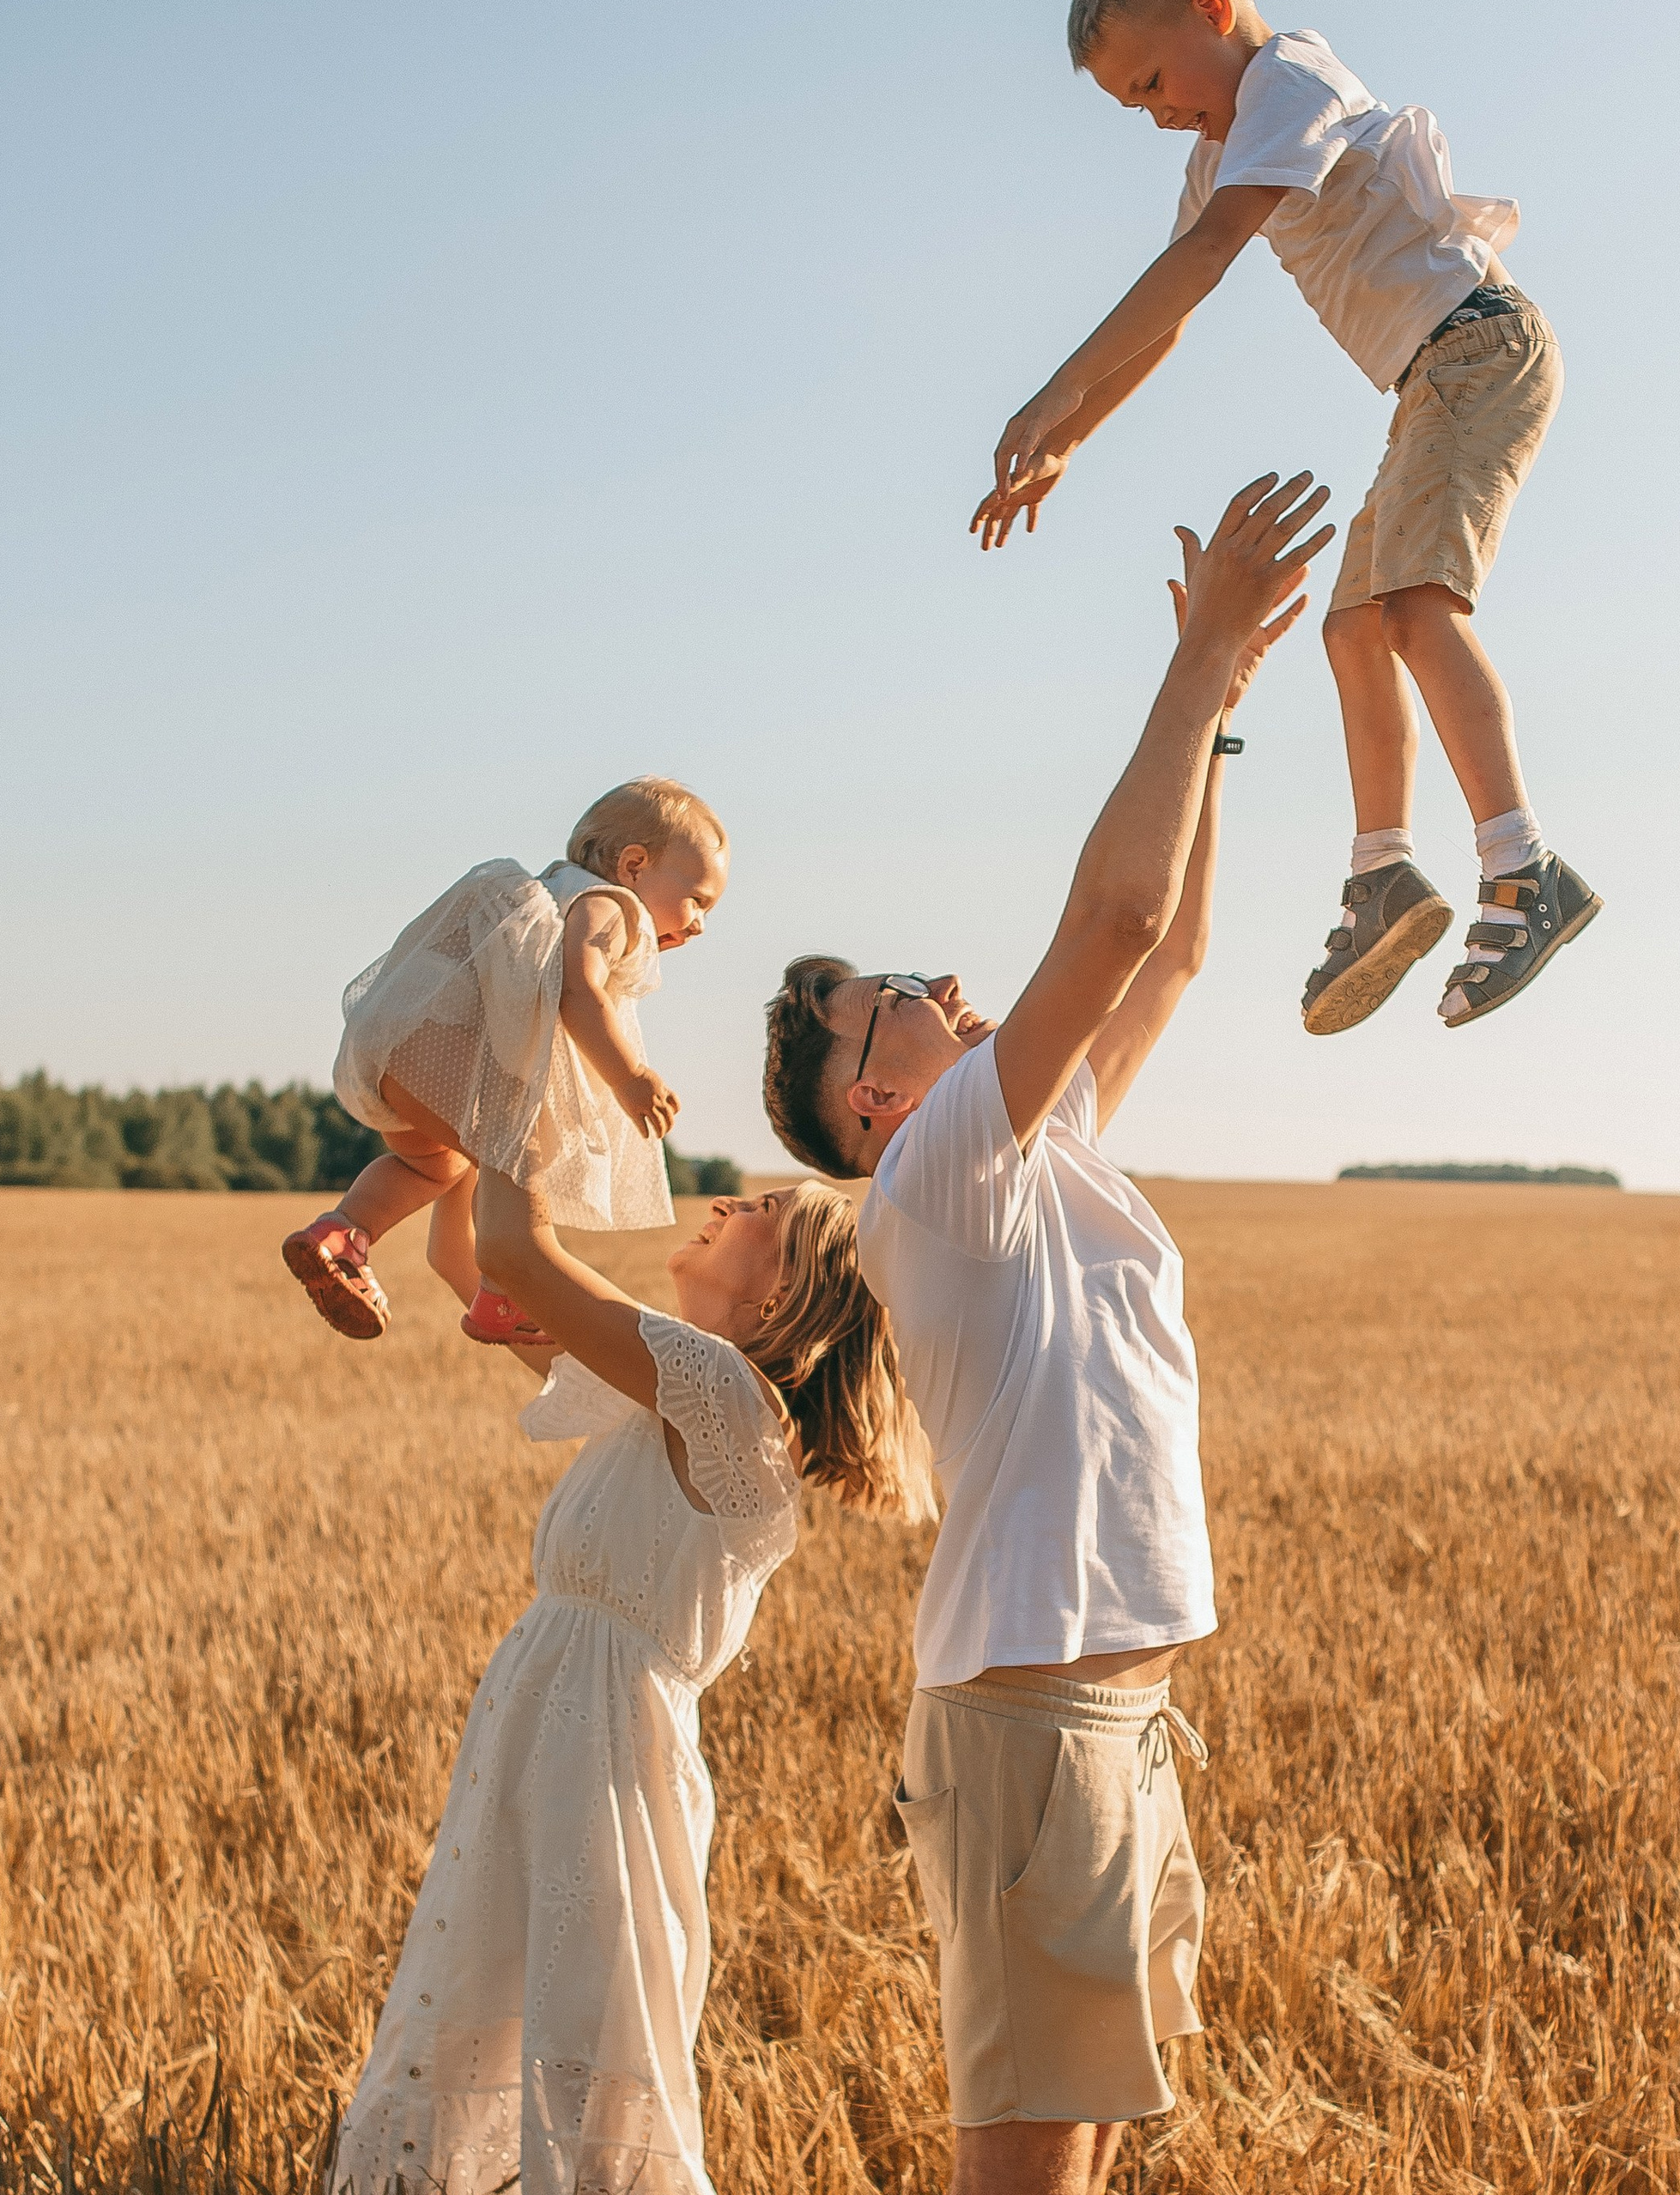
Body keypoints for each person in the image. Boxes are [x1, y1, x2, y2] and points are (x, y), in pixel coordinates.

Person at [761, 476, 1330, 2195]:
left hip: (1111, 1711)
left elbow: (1172, 956)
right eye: (903, 1000)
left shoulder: (1036, 1144)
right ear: (873, 1098)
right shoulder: (931, 1175)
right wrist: (1199, 662)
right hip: (1031, 1720)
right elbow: (1112, 925)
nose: (942, 985)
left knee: (1072, 2159)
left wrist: (1215, 715)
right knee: (1021, 2173)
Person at [973, 0, 1601, 1035]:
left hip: (1479, 353)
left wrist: (1053, 389)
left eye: (1151, 84)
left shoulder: (1286, 83)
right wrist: (1073, 437)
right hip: (1430, 385)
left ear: (1215, 12)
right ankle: (1383, 876)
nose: (1156, 115)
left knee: (1414, 609)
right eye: (1133, 103)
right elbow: (1171, 320)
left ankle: (1524, 867)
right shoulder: (1229, 137)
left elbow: (1212, 252)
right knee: (1355, 627)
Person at [332, 1167, 928, 2195]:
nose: (729, 1203)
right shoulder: (655, 1387)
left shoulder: (728, 1399)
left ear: (784, 1296)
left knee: (590, 2040)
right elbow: (465, 1261)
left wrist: (515, 1072)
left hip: (609, 1760)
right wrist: (458, 1148)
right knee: (496, 1996)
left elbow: (519, 1256)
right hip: (543, 1730)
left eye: (763, 1213)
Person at [282, 778, 727, 1346]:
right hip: (447, 1063)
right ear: (635, 866)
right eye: (699, 900)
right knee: (525, 1158)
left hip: (396, 1047)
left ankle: (342, 1233)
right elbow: (580, 990)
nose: (700, 924)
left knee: (435, 1166)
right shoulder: (613, 907)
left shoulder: (552, 888)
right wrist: (629, 1077)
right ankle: (504, 1294)